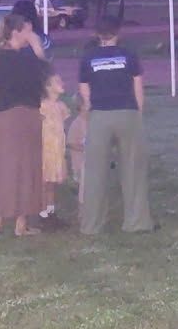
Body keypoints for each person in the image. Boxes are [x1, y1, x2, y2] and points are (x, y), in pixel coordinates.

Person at [76, 15, 151, 234]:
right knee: (133, 169)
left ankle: (92, 225)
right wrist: (138, 111)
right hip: (127, 112)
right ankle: (136, 221)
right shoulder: (129, 56)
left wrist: (91, 108)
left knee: (95, 172)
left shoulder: (88, 58)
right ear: (118, 33)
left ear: (97, 34)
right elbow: (138, 87)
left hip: (100, 114)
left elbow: (84, 89)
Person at [0, 13, 48, 238]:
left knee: (7, 167)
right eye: (27, 30)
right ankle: (18, 222)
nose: (30, 34)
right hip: (22, 114)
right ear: (16, 32)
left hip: (4, 117)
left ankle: (1, 223)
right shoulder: (21, 59)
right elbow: (44, 78)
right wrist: (38, 49)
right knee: (24, 168)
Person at [40, 70, 72, 225]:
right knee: (43, 182)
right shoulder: (42, 106)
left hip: (57, 150)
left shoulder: (61, 106)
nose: (62, 84)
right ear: (48, 86)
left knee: (52, 183)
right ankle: (40, 212)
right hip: (44, 149)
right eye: (58, 82)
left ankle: (50, 212)